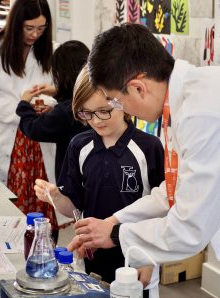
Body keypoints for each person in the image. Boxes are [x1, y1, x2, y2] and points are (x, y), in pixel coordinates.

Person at [68, 23, 220, 270]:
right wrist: (114, 221)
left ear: (138, 88)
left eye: (115, 102)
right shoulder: (187, 97)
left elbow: (189, 229)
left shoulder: (201, 115)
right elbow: (174, 191)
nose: (120, 109)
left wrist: (117, 235)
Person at [34, 65, 165, 298]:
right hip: (91, 258)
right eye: (86, 113)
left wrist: (150, 257)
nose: (95, 120)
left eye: (104, 111)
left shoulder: (149, 147)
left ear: (123, 103)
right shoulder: (79, 146)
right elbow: (73, 207)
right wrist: (55, 196)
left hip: (136, 257)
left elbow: (162, 209)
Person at [0, 0, 58, 237]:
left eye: (41, 29)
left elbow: (57, 92)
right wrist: (21, 105)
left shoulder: (49, 50)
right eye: (29, 28)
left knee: (44, 205)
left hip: (39, 141)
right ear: (16, 24)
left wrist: (45, 105)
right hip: (11, 141)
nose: (35, 34)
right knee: (11, 209)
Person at [16, 40, 89, 181]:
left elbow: (33, 128)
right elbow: (73, 99)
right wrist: (58, 94)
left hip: (71, 181)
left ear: (60, 74)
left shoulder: (65, 112)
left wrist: (24, 104)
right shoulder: (94, 99)